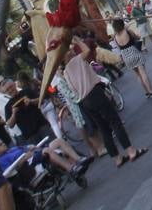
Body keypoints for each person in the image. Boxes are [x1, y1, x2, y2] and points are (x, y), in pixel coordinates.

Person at [61, 37, 146, 167]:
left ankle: (117, 158)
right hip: (94, 93)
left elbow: (74, 90)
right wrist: (77, 39)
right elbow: (87, 49)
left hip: (85, 101)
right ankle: (131, 151)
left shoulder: (65, 72)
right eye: (69, 50)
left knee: (103, 128)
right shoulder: (77, 60)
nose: (72, 50)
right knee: (114, 121)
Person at [0, 136, 90, 186]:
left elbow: (26, 147)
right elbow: (11, 171)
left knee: (58, 141)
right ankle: (72, 169)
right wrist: (25, 157)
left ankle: (79, 160)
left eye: (2, 142)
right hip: (28, 165)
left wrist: (31, 147)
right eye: (0, 145)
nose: (3, 144)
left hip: (35, 154)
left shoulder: (12, 149)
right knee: (46, 151)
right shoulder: (0, 160)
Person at [110, 17, 152, 98]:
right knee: (143, 72)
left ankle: (147, 92)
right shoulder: (127, 31)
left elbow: (118, 48)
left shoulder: (115, 37)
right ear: (122, 23)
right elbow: (138, 37)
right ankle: (151, 91)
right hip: (134, 52)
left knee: (138, 75)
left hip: (126, 56)